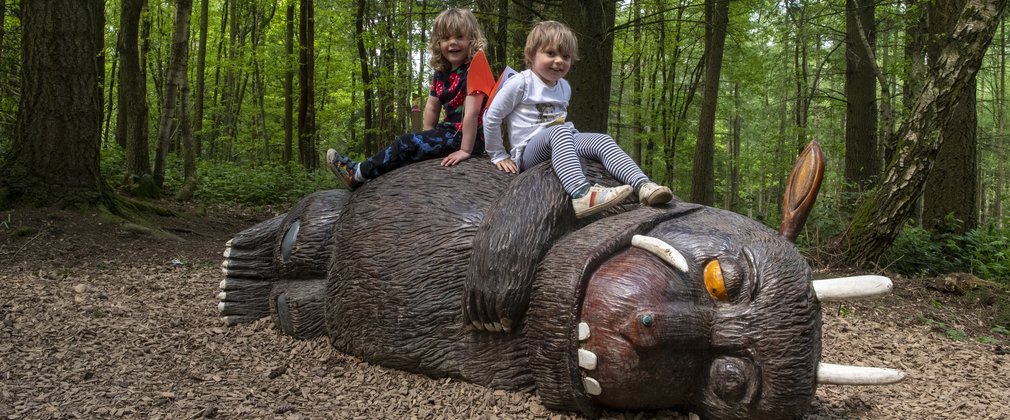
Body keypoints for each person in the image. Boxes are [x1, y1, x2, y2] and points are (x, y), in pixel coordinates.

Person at [483, 21, 673, 218]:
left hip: (562, 139)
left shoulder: (564, 86)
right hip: (530, 150)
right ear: (531, 54)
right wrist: (498, 154)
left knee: (602, 140)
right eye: (550, 54)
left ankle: (643, 185)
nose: (559, 61)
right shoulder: (521, 83)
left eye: (566, 56)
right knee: (560, 131)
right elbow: (492, 116)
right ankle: (582, 194)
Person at [327, 8, 488, 190]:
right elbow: (432, 106)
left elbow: (472, 113)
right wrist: (427, 134)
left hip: (468, 137)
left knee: (405, 143)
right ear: (438, 43)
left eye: (459, 37)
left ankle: (358, 173)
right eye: (446, 38)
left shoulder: (474, 70)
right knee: (412, 145)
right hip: (448, 132)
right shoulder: (440, 73)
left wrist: (465, 150)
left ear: (472, 40)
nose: (452, 43)